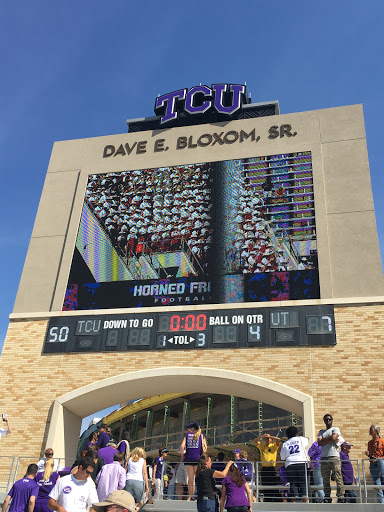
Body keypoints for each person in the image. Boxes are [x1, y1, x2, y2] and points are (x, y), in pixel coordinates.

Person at [317, 414, 344, 503]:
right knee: (325, 478)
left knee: (338, 477)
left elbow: (334, 437)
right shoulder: (321, 431)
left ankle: (340, 496)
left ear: (332, 420)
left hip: (334, 456)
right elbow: (319, 443)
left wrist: (325, 439)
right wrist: (330, 439)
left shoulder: (335, 429)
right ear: (324, 421)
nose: (328, 421)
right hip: (324, 457)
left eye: (329, 419)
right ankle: (327, 496)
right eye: (326, 420)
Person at [280, 426, 309, 502]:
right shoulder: (301, 439)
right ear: (296, 433)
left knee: (293, 483)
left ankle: (294, 500)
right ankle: (304, 501)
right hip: (302, 462)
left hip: (290, 464)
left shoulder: (285, 443)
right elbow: (307, 440)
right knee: (303, 483)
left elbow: (282, 457)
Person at [180, 422, 207, 500]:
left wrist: (183, 455)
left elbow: (182, 447)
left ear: (192, 429)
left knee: (190, 479)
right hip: (197, 458)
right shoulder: (201, 436)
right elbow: (205, 449)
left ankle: (190, 496)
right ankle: (198, 495)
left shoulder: (187, 436)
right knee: (198, 478)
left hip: (188, 459)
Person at [253, 433, 280, 502]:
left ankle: (274, 499)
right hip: (264, 469)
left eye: (268, 439)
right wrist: (262, 436)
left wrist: (270, 436)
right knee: (265, 485)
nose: (267, 440)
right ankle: (267, 499)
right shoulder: (262, 446)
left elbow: (278, 440)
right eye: (266, 439)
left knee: (273, 485)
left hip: (271, 468)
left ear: (271, 439)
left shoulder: (273, 446)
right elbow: (255, 441)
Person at [365, 424, 384, 503]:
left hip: (381, 462)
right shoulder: (370, 443)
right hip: (373, 463)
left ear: (375, 431)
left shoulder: (382, 441)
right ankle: (381, 502)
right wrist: (368, 454)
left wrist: (379, 459)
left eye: (371, 429)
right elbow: (371, 454)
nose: (369, 431)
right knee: (376, 483)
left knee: (380, 461)